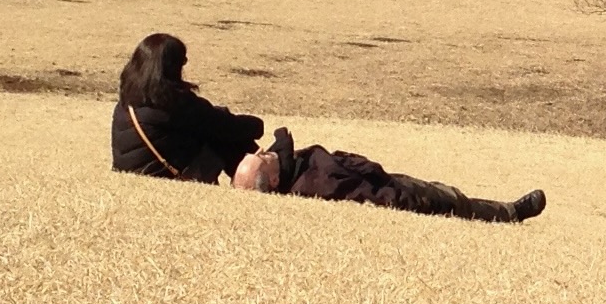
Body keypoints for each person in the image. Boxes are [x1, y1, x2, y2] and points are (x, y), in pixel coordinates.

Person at [232, 126, 543, 223]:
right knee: (453, 201)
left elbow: (282, 148)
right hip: (397, 193)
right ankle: (512, 213)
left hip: (388, 180)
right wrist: (406, 200)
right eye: (262, 159)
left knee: (448, 193)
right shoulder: (316, 184)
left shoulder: (288, 169)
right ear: (273, 181)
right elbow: (367, 195)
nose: (264, 152)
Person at [111, 33, 263, 182]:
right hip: (165, 175)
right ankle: (267, 179)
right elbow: (225, 125)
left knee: (211, 129)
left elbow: (207, 117)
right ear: (172, 66)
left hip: (134, 171)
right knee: (223, 137)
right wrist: (258, 125)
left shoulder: (126, 102)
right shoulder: (175, 102)